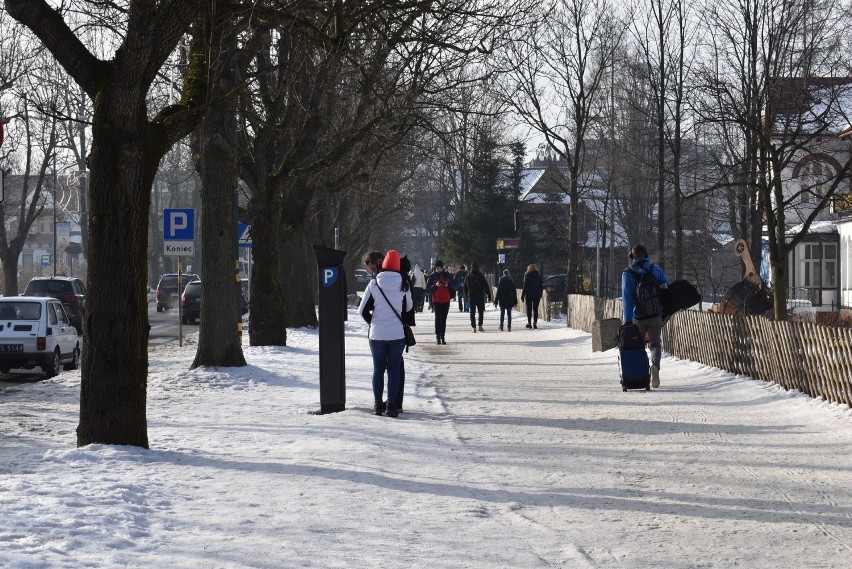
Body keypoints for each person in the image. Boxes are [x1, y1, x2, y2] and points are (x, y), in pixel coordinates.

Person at [358, 250, 412, 417]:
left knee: (378, 370)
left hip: (377, 335)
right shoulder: (403, 283)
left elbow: (361, 310)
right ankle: (391, 405)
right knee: (394, 370)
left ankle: (377, 406)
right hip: (396, 334)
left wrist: (373, 321)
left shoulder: (374, 283)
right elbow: (409, 306)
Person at [622, 244, 670, 389]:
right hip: (655, 315)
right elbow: (667, 287)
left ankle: (642, 375)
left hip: (638, 317)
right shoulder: (655, 269)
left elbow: (627, 297)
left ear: (632, 256)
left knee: (638, 346)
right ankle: (655, 367)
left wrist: (628, 320)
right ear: (646, 255)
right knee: (655, 345)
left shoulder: (628, 273)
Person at [425, 260, 454, 344]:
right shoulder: (432, 276)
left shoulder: (447, 275)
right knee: (438, 318)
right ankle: (438, 337)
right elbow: (427, 289)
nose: (439, 270)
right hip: (436, 300)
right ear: (435, 268)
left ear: (442, 268)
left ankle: (442, 336)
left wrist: (447, 285)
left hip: (446, 300)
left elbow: (453, 284)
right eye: (437, 268)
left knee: (444, 319)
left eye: (440, 268)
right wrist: (435, 286)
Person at [464, 262, 492, 332]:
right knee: (480, 311)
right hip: (480, 296)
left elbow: (465, 287)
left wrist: (466, 296)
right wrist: (489, 295)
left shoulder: (468, 276)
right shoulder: (481, 275)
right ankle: (480, 326)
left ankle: (473, 327)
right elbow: (486, 286)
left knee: (472, 312)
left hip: (471, 296)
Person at [521, 263, 544, 329]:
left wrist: (523, 295)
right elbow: (541, 286)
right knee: (535, 309)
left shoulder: (527, 276)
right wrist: (540, 294)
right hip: (537, 295)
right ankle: (535, 323)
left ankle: (529, 323)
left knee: (529, 309)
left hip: (529, 295)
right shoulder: (538, 276)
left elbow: (525, 286)